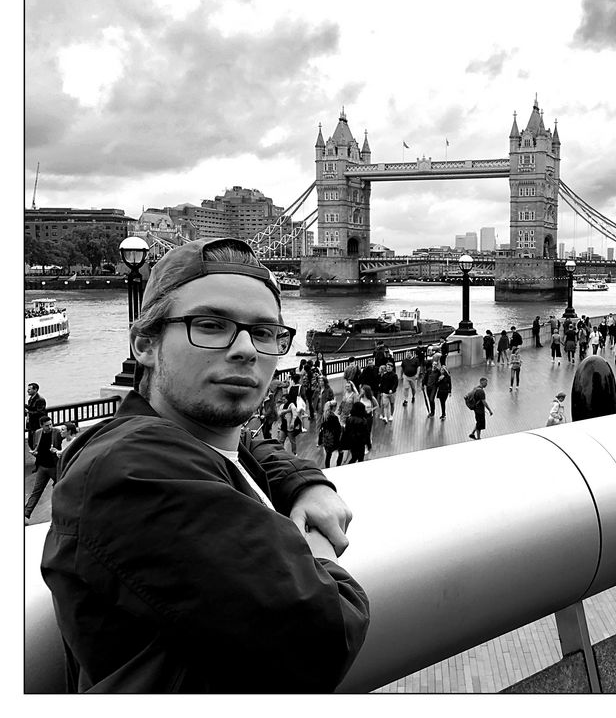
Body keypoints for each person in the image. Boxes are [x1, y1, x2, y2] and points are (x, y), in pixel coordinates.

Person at [40, 237, 369, 692]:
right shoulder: (132, 471)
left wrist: (305, 482)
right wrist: (314, 544)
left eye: (265, 332)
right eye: (211, 325)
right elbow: (327, 631)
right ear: (145, 345)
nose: (246, 350)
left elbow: (248, 446)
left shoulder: (195, 444)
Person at [25, 415, 63, 522]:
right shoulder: (37, 433)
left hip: (54, 467)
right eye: (47, 426)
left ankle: (61, 513)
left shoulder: (57, 432)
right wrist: (35, 453)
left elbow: (65, 445)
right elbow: (36, 447)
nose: (50, 427)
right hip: (42, 467)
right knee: (36, 491)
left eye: (51, 424)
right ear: (41, 426)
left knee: (60, 488)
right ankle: (26, 513)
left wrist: (57, 451)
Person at [280, 385, 308, 454]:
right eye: (282, 400)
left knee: (292, 441)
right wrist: (288, 411)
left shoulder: (291, 404)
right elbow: (279, 413)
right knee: (281, 440)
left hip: (289, 426)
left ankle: (294, 453)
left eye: (284, 399)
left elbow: (294, 414)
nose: (283, 401)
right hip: (283, 425)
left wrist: (292, 422)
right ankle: (281, 453)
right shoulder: (282, 406)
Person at [319, 401, 343, 468]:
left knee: (328, 455)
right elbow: (338, 430)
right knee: (341, 452)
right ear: (334, 407)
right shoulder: (334, 417)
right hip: (334, 439)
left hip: (326, 438)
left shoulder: (324, 415)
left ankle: (327, 468)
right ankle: (338, 466)